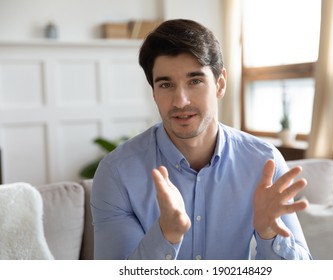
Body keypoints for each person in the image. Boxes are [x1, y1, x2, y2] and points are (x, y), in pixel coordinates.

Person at [91, 18, 312, 260]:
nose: (180, 101)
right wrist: (166, 235)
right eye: (166, 85)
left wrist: (269, 234)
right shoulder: (117, 173)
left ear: (220, 84)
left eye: (195, 81)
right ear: (153, 93)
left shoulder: (264, 164)